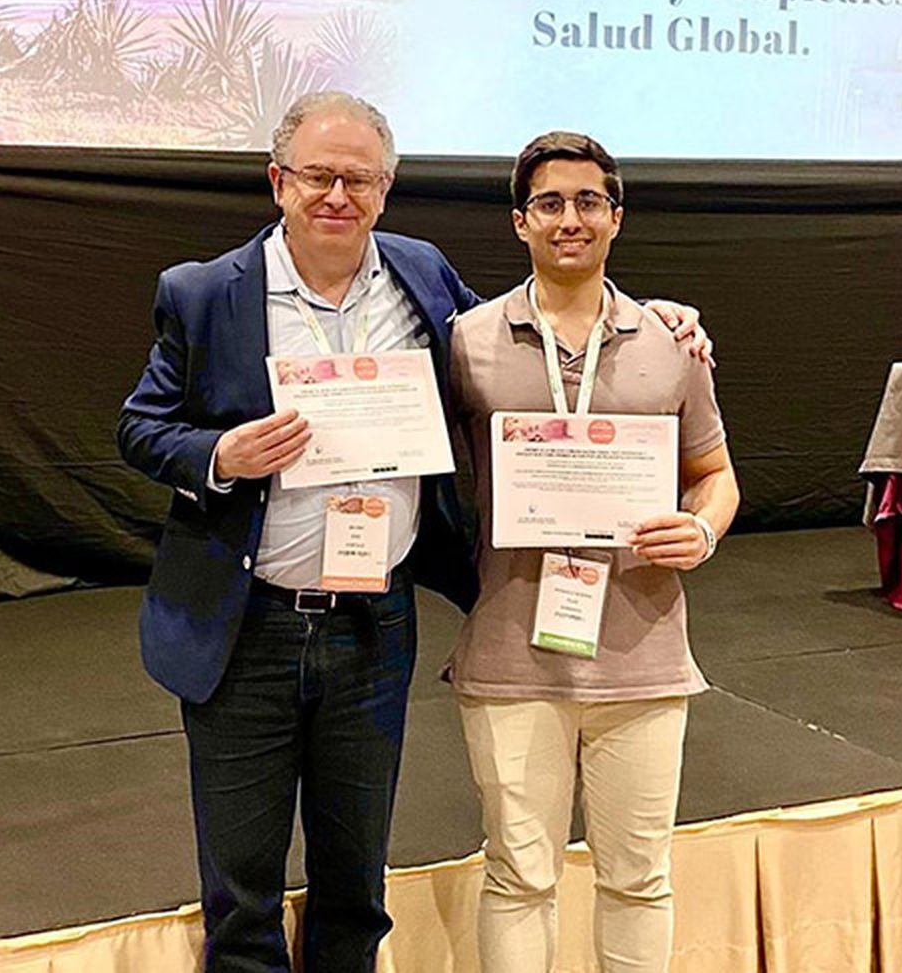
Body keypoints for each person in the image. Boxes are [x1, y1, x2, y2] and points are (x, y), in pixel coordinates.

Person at [117, 93, 709, 972]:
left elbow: (535, 325)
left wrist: (652, 314)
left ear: (385, 189)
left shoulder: (420, 276)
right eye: (319, 176)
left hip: (373, 626)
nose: (338, 195)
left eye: (359, 179)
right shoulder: (203, 294)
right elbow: (141, 426)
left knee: (356, 883)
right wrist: (219, 454)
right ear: (277, 181)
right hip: (246, 626)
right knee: (241, 892)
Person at [447, 131, 739, 973]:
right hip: (509, 655)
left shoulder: (673, 343)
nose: (568, 219)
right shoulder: (466, 341)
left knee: (639, 880)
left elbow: (716, 475)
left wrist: (703, 529)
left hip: (644, 657)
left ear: (616, 217)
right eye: (548, 203)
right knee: (517, 878)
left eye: (587, 201)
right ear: (520, 221)